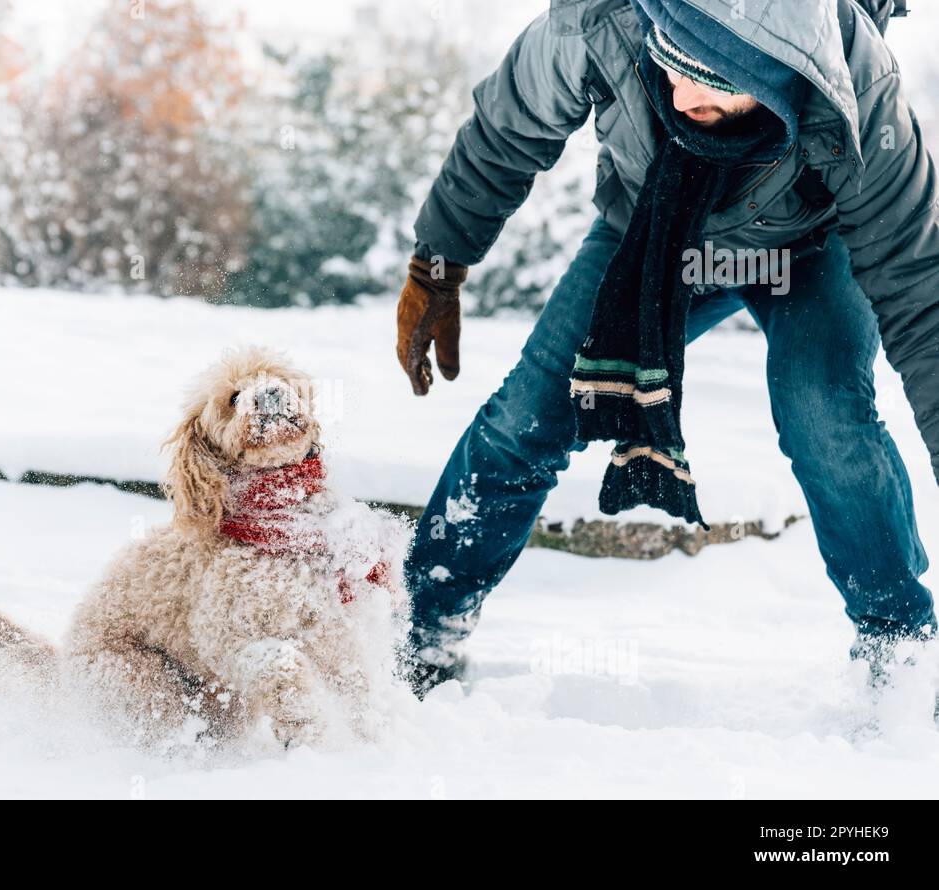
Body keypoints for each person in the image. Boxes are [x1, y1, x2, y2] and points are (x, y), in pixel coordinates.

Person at [395, 0, 938, 697]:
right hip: (652, 237)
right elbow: (505, 132)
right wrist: (437, 265)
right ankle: (421, 627)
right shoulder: (600, 25)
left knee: (824, 414)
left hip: (809, 248)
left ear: (776, 71)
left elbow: (921, 290)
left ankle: (900, 655)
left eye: (708, 80)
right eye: (670, 66)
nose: (681, 95)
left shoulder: (856, 82)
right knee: (528, 412)